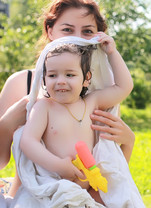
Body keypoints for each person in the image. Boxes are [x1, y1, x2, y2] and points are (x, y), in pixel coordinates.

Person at [0, 0, 135, 198]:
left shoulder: (96, 90)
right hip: (36, 196)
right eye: (67, 29)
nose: (77, 38)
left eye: (88, 31)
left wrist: (128, 141)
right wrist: (7, 124)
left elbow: (109, 165)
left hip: (89, 197)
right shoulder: (23, 83)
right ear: (50, 30)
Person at [20, 37, 131, 204]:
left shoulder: (92, 102)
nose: (60, 81)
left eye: (70, 74)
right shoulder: (44, 108)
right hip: (56, 184)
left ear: (86, 78)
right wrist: (58, 165)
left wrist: (112, 53)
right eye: (52, 75)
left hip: (91, 184)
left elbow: (124, 87)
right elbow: (28, 142)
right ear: (44, 79)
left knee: (118, 201)